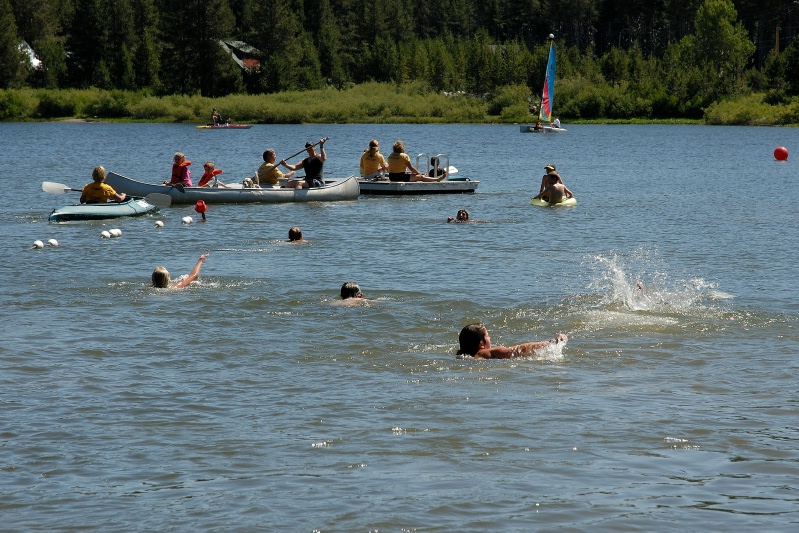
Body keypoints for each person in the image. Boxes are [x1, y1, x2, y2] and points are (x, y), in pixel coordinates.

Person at [456, 323, 567, 359]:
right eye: (488, 336)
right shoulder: (486, 353)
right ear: (481, 344)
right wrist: (552, 342)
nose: (490, 339)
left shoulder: (464, 356)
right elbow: (519, 350)